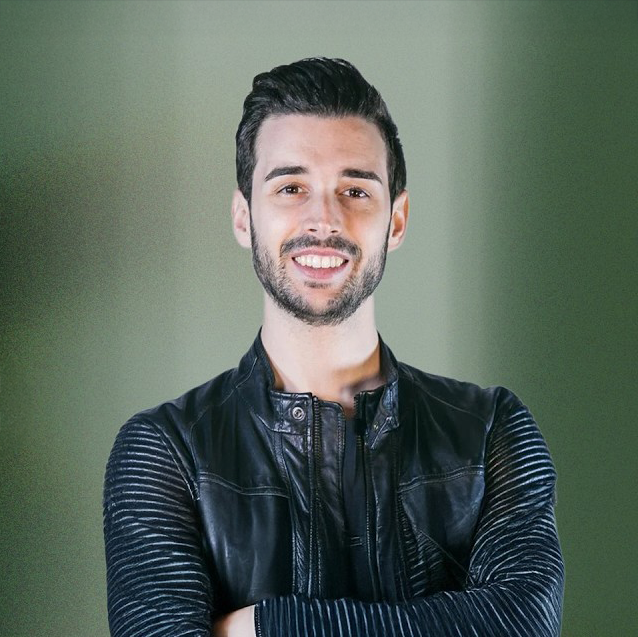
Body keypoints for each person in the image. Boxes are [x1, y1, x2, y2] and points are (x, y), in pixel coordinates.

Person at [103, 58, 564, 637]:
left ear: (397, 220)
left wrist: (260, 625)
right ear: (244, 218)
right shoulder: (163, 452)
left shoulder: (492, 430)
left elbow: (523, 622)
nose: (323, 219)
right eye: (291, 187)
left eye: (355, 190)